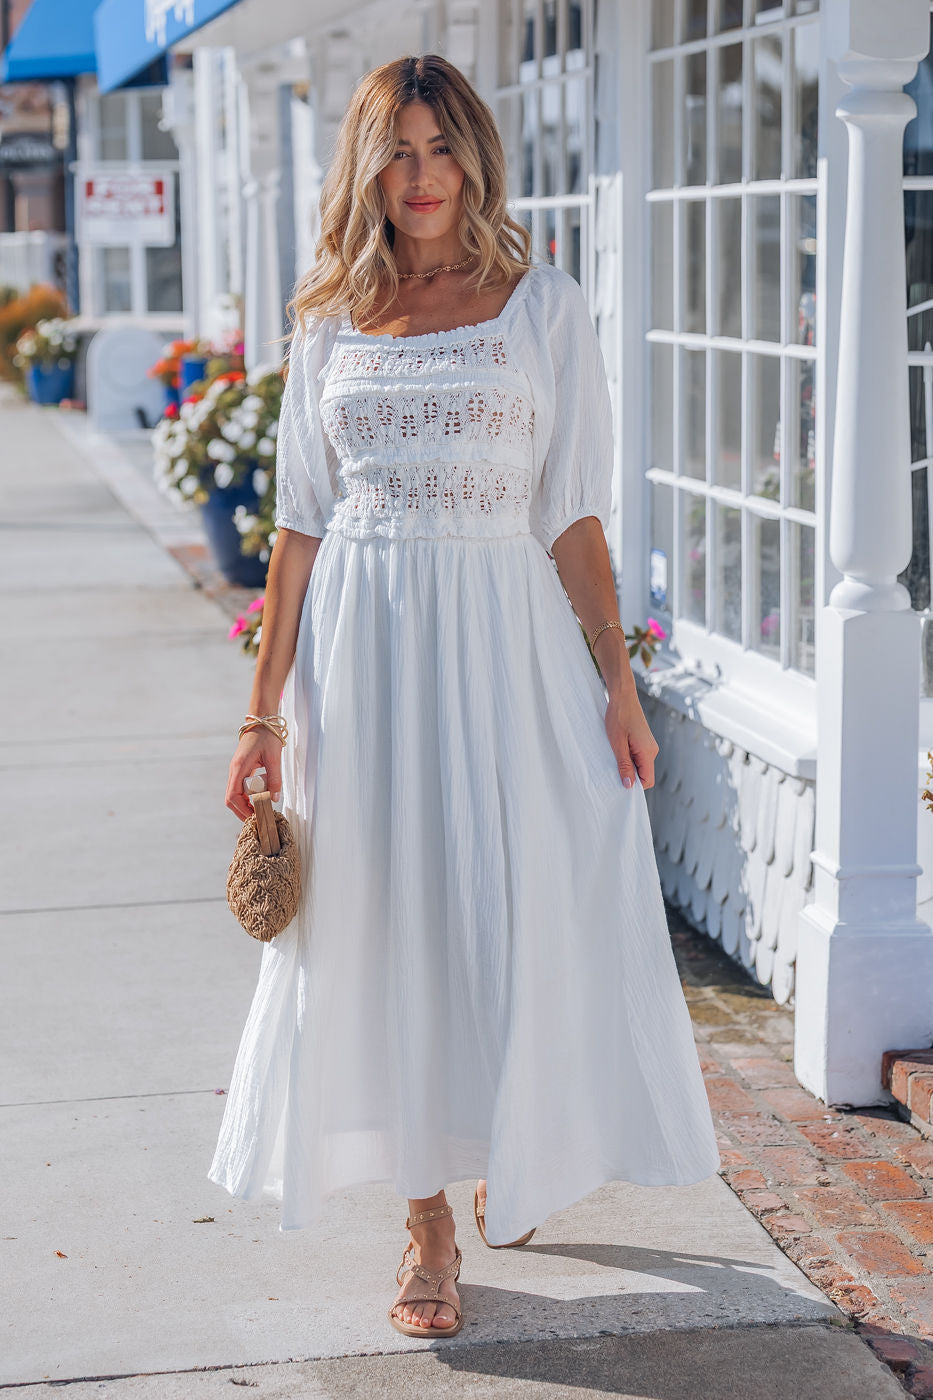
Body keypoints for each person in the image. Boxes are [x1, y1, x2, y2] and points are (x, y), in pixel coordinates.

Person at [209, 52, 720, 1340]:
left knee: (518, 902)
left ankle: (516, 1137)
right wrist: (263, 716)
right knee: (390, 920)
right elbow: (299, 530)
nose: (421, 175)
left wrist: (619, 685)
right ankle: (427, 1222)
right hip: (365, 664)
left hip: (506, 647)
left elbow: (574, 516)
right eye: (397, 149)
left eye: (441, 147)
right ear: (367, 168)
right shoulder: (330, 319)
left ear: (475, 157)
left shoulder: (543, 308)